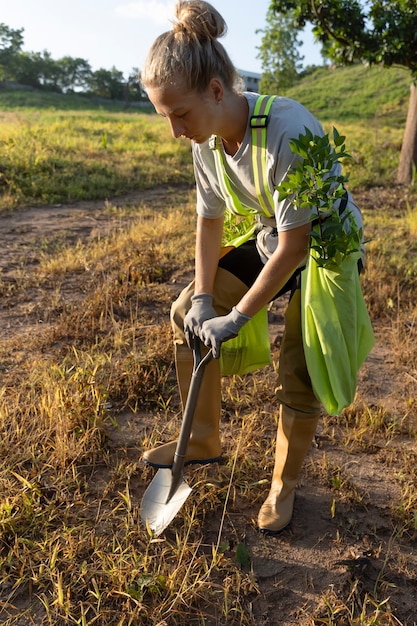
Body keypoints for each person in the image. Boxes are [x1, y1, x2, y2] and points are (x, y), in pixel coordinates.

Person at [140, 0, 364, 533]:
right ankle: (201, 438)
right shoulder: (208, 141)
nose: (175, 131)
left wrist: (237, 317)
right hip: (271, 234)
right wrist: (201, 300)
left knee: (302, 367)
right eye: (165, 117)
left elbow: (296, 247)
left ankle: (283, 486)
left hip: (322, 245)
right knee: (184, 314)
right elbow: (209, 223)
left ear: (217, 91)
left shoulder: (287, 130)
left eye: (180, 114)